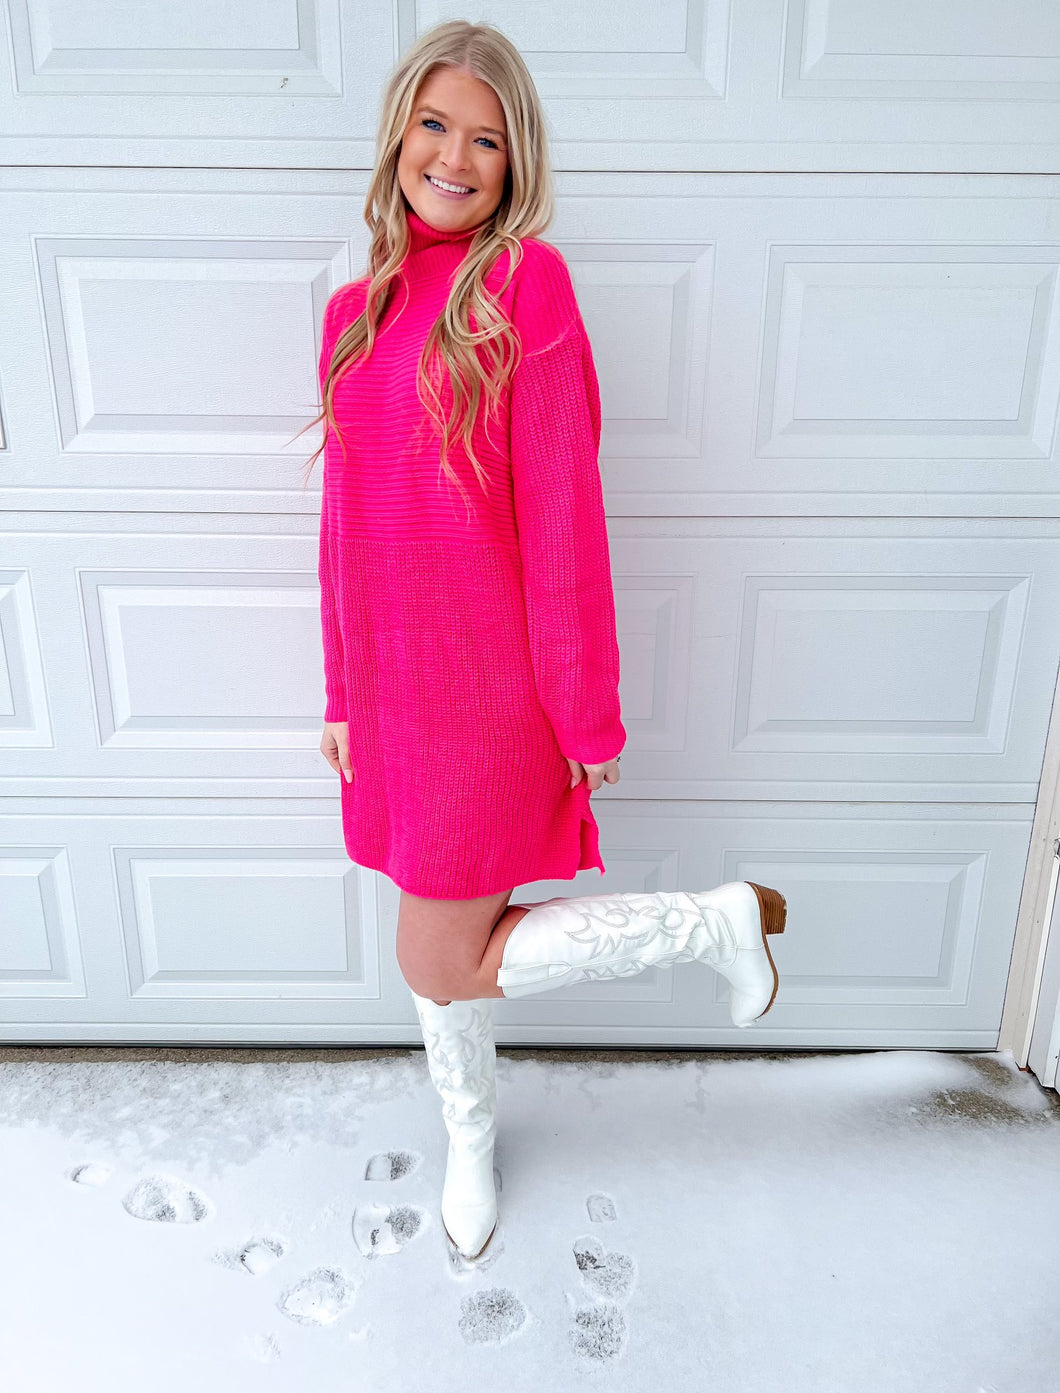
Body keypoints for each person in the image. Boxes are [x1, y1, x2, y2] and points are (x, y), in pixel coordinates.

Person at [305, 20, 787, 1267]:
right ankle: (471, 1138)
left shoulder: (527, 288)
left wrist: (584, 712)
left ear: (515, 164)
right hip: (398, 697)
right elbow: (343, 526)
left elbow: (564, 515)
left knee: (438, 948)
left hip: (488, 696)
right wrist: (342, 689)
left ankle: (711, 924)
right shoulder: (353, 313)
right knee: (438, 941)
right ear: (398, 131)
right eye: (435, 125)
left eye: (486, 138)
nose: (455, 157)